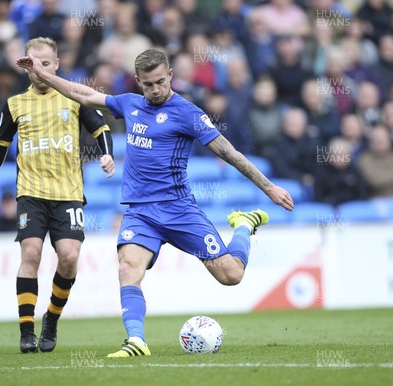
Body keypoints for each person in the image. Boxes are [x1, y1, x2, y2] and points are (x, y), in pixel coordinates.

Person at [17, 47, 293, 357]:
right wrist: (42, 74)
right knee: (128, 267)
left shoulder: (188, 113)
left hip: (179, 209)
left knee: (231, 275)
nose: (155, 89)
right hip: (140, 213)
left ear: (170, 75)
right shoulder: (130, 104)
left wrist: (268, 187)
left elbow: (229, 153)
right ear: (138, 81)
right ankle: (136, 341)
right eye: (148, 84)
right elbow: (82, 93)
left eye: (160, 82)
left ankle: (243, 224)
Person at [0, 37, 115, 354]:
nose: (38, 69)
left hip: (68, 193)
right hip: (31, 192)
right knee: (31, 254)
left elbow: (102, 129)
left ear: (56, 65)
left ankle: (51, 320)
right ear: (25, 66)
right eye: (32, 63)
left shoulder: (73, 98)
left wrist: (107, 154)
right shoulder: (15, 104)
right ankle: (26, 332)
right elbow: (0, 144)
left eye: (45, 63)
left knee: (68, 258)